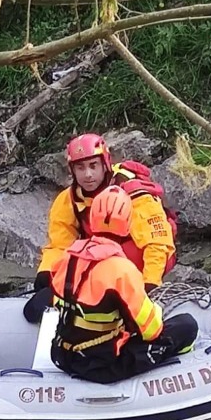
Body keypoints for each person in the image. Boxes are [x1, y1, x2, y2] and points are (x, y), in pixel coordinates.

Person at [48, 185, 197, 385]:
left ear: (92, 220)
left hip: (62, 355)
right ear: (127, 225)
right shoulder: (122, 270)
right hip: (101, 365)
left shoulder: (68, 257)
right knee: (186, 326)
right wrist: (154, 310)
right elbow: (152, 330)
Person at [23, 133, 176, 322]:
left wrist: (149, 286)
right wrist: (47, 275)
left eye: (93, 166)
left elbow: (157, 244)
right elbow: (60, 245)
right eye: (80, 168)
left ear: (105, 164)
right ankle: (75, 294)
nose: (87, 174)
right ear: (72, 171)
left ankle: (100, 292)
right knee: (76, 257)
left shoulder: (134, 193)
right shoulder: (69, 199)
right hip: (104, 257)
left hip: (135, 255)